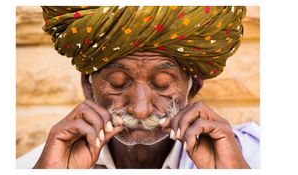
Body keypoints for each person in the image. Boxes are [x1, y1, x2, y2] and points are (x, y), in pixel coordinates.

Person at [16, 6, 260, 169]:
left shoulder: (255, 157)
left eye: (163, 83)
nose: (141, 109)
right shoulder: (38, 165)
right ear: (88, 86)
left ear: (193, 86)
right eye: (118, 83)